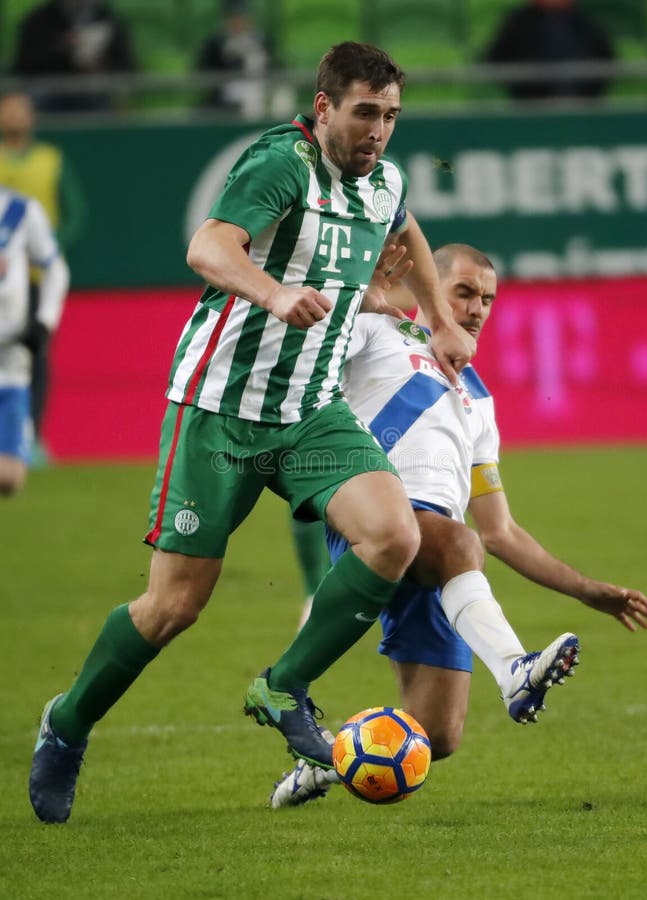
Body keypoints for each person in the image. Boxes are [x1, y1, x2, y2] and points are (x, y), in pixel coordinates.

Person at [28, 41, 475, 824]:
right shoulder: (282, 165)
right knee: (172, 607)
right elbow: (207, 247)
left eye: (391, 116)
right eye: (365, 113)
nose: (378, 131)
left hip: (309, 408)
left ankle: (282, 683)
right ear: (325, 106)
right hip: (218, 409)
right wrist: (272, 293)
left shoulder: (384, 182)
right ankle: (66, 727)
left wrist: (436, 317)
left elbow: (407, 229)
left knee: (392, 536)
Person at [269, 243, 647, 807]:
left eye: (488, 299)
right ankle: (515, 672)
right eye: (464, 292)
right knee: (459, 541)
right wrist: (362, 296)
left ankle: (328, 762)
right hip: (375, 530)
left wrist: (587, 590)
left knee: (437, 734)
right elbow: (309, 347)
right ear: (430, 289)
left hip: (443, 562)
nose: (477, 308)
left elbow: (501, 531)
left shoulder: (478, 399)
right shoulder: (379, 334)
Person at [0, 92, 86, 460]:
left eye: (22, 108)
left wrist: (44, 248)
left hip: (32, 279)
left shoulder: (51, 159)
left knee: (33, 354)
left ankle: (28, 435)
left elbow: (74, 213)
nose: (15, 115)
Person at [0, 185, 69, 495]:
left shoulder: (19, 211)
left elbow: (55, 268)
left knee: (11, 480)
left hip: (11, 360)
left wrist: (44, 322)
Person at [12, 0, 135, 112]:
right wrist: (62, 49)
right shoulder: (38, 20)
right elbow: (24, 65)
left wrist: (101, 64)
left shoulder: (111, 19)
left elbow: (127, 66)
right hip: (48, 91)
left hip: (93, 92)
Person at [485, 0, 614, 100]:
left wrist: (586, 95)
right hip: (531, 109)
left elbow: (607, 62)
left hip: (578, 108)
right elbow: (494, 60)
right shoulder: (519, 23)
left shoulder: (585, 24)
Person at [195, 0, 270, 118]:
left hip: (262, 89)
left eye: (242, 17)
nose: (238, 22)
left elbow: (274, 66)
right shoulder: (216, 43)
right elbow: (204, 71)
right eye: (234, 18)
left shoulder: (260, 40)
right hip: (227, 95)